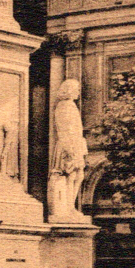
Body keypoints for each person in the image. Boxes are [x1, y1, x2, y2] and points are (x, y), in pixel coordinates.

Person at [50, 79, 87, 216]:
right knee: (70, 174)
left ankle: (70, 205)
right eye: (76, 89)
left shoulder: (71, 105)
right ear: (69, 90)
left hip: (76, 142)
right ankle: (68, 207)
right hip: (69, 143)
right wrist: (70, 147)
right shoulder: (64, 106)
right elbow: (65, 128)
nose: (78, 92)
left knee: (79, 175)